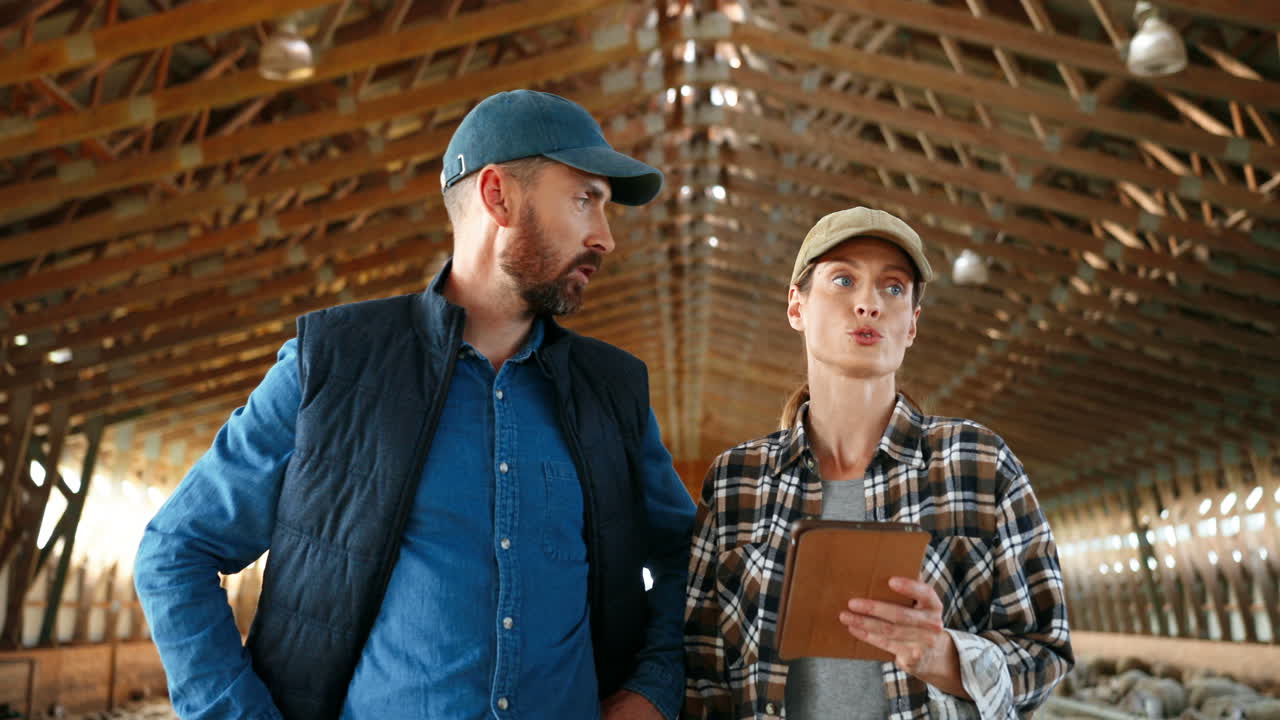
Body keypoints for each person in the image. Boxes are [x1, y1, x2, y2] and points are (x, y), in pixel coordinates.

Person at [134, 90, 696, 720]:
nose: (605, 238)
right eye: (585, 199)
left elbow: (687, 558)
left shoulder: (613, 392)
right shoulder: (335, 367)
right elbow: (176, 552)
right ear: (498, 196)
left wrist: (655, 684)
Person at [682, 207, 1073, 719]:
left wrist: (946, 657)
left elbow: (1047, 649)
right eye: (843, 280)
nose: (868, 304)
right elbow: (700, 671)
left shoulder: (978, 464)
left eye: (893, 288)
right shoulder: (739, 481)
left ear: (912, 323)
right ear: (796, 306)